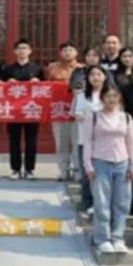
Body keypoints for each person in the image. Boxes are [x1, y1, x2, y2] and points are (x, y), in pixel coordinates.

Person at [82, 82, 133, 254]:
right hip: (100, 162)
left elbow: (131, 143)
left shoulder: (126, 117)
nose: (111, 99)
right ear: (102, 98)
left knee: (122, 203)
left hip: (122, 162)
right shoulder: (93, 117)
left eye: (115, 96)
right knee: (102, 203)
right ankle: (102, 238)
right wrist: (87, 164)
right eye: (108, 96)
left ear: (119, 98)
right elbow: (87, 142)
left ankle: (118, 237)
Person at [1, 39, 44, 180]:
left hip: (31, 110)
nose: (22, 51)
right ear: (15, 51)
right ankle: (15, 169)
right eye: (19, 48)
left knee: (31, 141)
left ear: (30, 51)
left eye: (25, 48)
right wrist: (7, 83)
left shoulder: (37, 69)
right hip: (13, 111)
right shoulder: (8, 69)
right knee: (14, 140)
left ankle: (29, 169)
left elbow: (45, 89)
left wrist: (38, 83)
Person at [72, 66, 108, 211]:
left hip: (105, 140)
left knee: (102, 172)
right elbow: (77, 114)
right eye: (92, 74)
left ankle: (102, 202)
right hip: (85, 139)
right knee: (86, 171)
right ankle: (87, 201)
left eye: (99, 74)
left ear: (105, 76)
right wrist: (91, 116)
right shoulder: (81, 96)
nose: (95, 77)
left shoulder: (111, 94)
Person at [46, 41, 82, 182]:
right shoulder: (52, 68)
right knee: (61, 142)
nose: (67, 52)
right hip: (59, 110)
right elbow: (46, 87)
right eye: (64, 50)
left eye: (70, 50)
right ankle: (63, 170)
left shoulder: (82, 69)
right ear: (60, 53)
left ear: (76, 53)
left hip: (78, 111)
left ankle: (78, 170)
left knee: (78, 141)